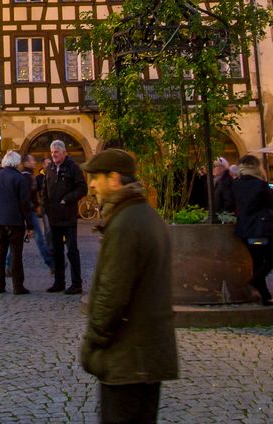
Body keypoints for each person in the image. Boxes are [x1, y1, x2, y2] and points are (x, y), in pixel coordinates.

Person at [80, 148, 178, 424]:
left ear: (114, 179)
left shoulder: (125, 224)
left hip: (128, 358)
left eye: (96, 177)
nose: (91, 185)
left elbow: (111, 295)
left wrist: (93, 345)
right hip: (147, 355)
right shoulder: (147, 216)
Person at [231, 155, 273, 306]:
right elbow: (272, 203)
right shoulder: (260, 184)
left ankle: (265, 296)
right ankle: (255, 281)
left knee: (258, 261)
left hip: (244, 229)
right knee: (269, 260)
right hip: (260, 229)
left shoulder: (236, 184)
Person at [0, 150, 32, 294]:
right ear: (16, 163)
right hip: (15, 221)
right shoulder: (19, 178)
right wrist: (29, 225)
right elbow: (25, 203)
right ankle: (18, 286)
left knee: (0, 253)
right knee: (16, 254)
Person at [43, 140, 87, 295]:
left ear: (64, 153)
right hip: (54, 217)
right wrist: (46, 208)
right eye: (52, 151)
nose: (53, 154)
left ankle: (76, 284)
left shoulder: (73, 168)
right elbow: (44, 190)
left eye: (56, 151)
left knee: (72, 250)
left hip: (68, 217)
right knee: (57, 251)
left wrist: (67, 199)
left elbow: (82, 188)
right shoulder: (50, 168)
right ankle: (59, 282)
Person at [22, 155, 53, 271]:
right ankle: (51, 263)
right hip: (28, 211)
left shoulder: (30, 176)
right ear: (26, 163)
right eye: (32, 160)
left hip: (29, 210)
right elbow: (26, 198)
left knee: (18, 240)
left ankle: (8, 265)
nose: (34, 162)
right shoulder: (26, 177)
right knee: (39, 238)